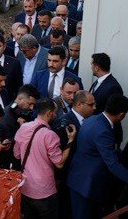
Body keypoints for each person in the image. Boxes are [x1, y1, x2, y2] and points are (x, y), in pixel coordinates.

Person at [14, 98, 77, 219]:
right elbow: (59, 163)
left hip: (26, 186)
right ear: (49, 113)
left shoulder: (23, 128)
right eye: (55, 112)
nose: (56, 115)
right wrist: (70, 141)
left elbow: (17, 154)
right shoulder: (50, 135)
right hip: (45, 190)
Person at [68, 95, 128, 219]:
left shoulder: (92, 119)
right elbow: (113, 164)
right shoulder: (104, 131)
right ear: (121, 115)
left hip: (78, 179)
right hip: (87, 186)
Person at [54, 90, 96, 219]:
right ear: (78, 104)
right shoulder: (64, 122)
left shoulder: (91, 121)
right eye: (91, 104)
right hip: (67, 177)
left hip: (81, 178)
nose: (95, 108)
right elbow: (58, 152)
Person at [0, 84, 38, 169]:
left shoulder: (26, 114)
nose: (31, 108)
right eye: (30, 104)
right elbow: (8, 144)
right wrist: (23, 130)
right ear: (20, 99)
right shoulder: (6, 118)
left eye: (33, 105)